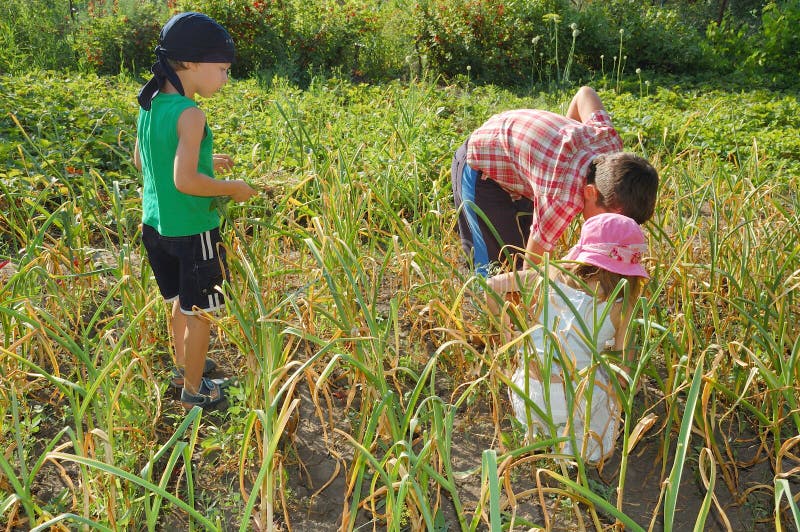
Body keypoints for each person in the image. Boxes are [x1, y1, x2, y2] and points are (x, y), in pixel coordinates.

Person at [133, 12, 257, 409]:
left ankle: (184, 366)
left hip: (155, 225)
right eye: (221, 69)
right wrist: (231, 188)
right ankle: (194, 392)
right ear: (190, 63)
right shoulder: (192, 113)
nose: (225, 78)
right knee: (201, 314)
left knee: (179, 305)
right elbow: (185, 182)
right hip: (193, 229)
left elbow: (142, 159)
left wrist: (206, 160)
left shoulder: (151, 102)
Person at [485, 213, 649, 462]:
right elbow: (622, 375)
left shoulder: (548, 274)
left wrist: (507, 331)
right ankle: (571, 448)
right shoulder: (621, 306)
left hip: (530, 394)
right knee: (609, 401)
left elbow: (491, 286)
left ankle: (537, 432)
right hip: (574, 403)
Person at [451, 86, 658, 275]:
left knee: (520, 248)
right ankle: (483, 309)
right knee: (499, 270)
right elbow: (530, 272)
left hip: (523, 168)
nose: (607, 228)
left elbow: (585, 94)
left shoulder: (609, 147)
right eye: (606, 221)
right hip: (481, 166)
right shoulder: (561, 197)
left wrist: (553, 161)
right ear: (590, 192)